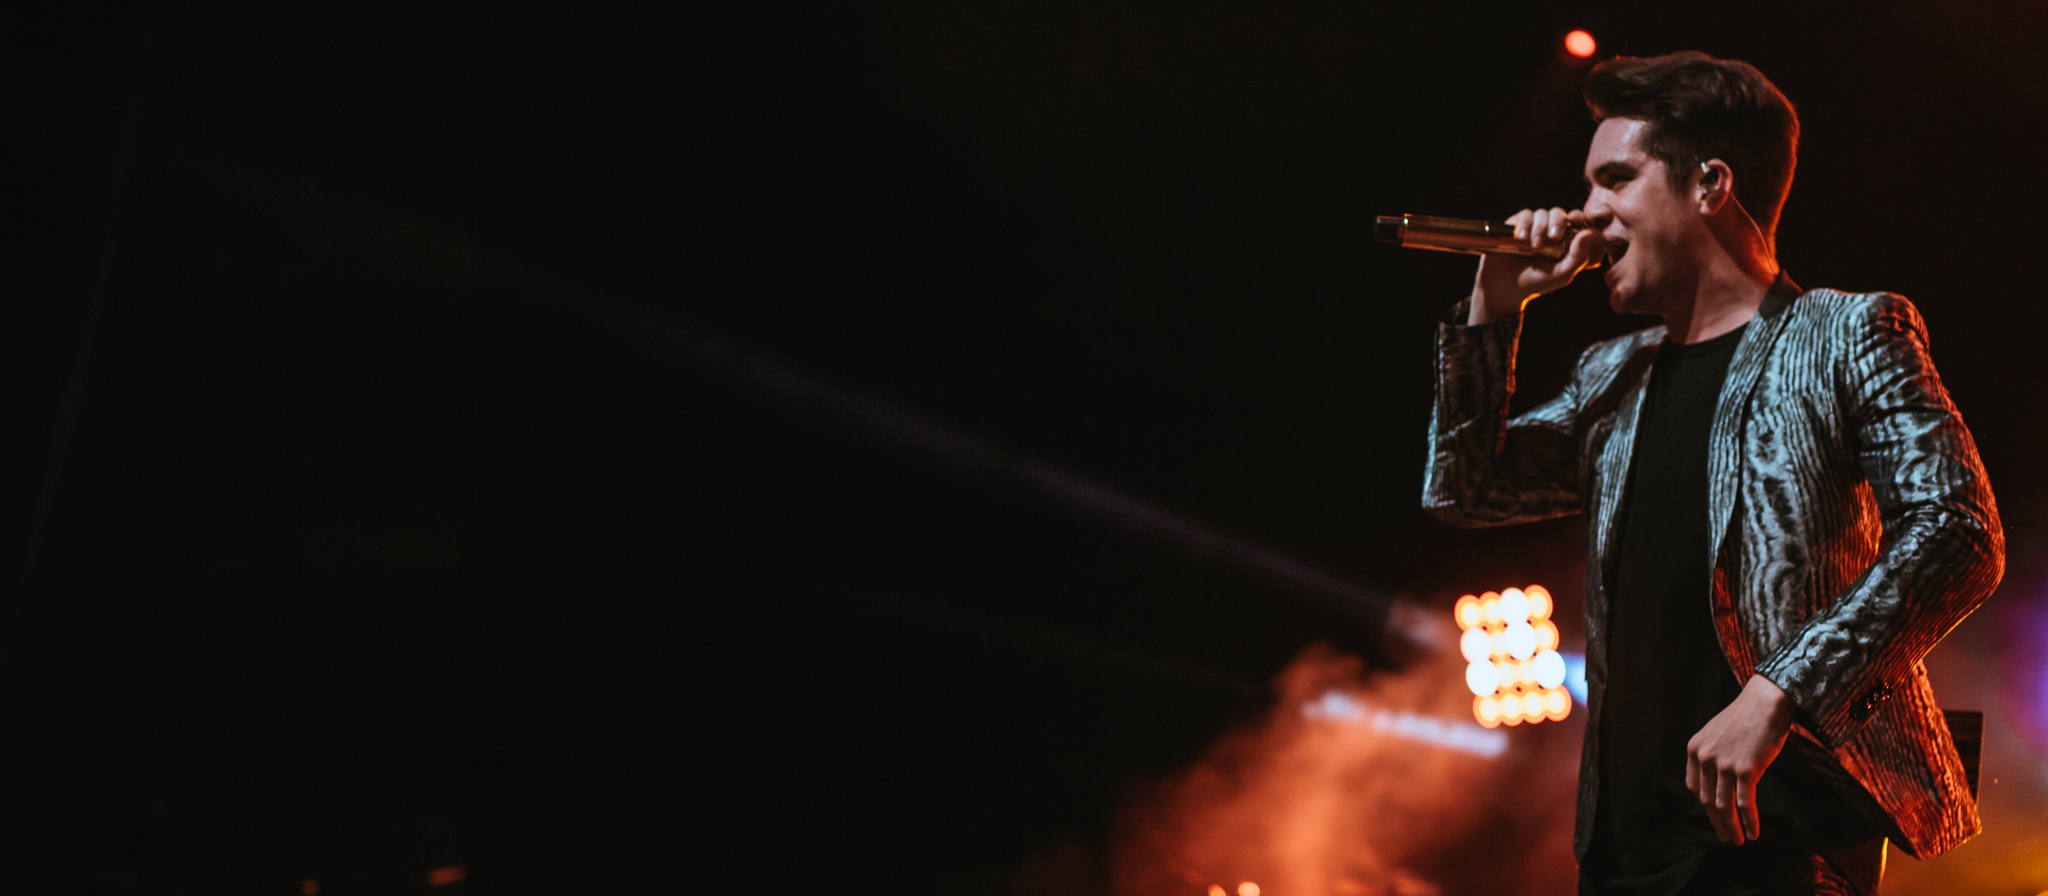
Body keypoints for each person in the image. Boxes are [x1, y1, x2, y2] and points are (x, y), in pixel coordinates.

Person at [1420, 52, 2002, 895]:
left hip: (1781, 841)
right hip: (1622, 854)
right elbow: (1464, 490)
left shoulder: (1844, 333)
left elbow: (1960, 531)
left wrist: (1781, 690)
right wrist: (1493, 308)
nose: (1586, 214)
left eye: (1615, 180)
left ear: (1710, 185)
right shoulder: (1610, 376)